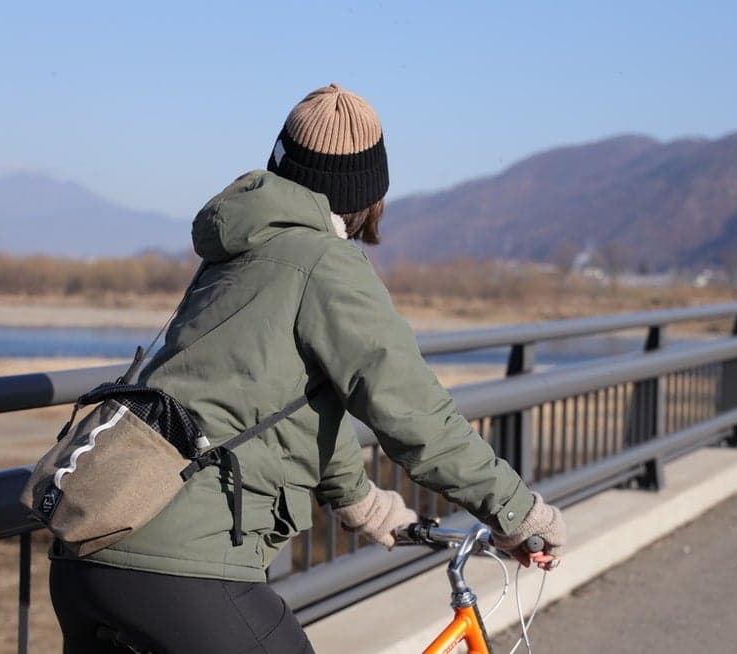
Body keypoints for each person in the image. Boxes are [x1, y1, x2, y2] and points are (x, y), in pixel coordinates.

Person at [48, 83, 566, 653]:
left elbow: (291, 404)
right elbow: (417, 417)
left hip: (91, 551)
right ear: (368, 194)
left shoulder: (241, 252)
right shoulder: (327, 265)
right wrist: (519, 512)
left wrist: (363, 503)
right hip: (181, 567)